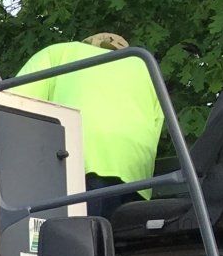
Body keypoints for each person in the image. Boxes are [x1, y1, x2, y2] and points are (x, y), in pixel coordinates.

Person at [14, 32, 164, 217]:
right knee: (114, 242)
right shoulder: (145, 68)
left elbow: (11, 103)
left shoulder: (59, 53)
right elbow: (157, 125)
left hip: (80, 164)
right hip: (136, 179)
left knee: (77, 239)